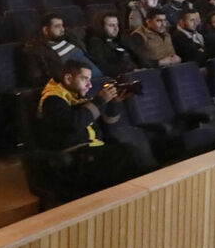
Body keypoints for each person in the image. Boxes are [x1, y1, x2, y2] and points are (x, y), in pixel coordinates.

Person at [34, 60, 141, 199]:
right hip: (75, 159)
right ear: (68, 78)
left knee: (134, 151)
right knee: (127, 154)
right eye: (84, 79)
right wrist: (100, 101)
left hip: (93, 151)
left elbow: (109, 122)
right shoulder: (52, 100)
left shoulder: (78, 97)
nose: (89, 85)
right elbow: (75, 123)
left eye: (90, 80)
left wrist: (115, 103)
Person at [23, 12, 102, 87]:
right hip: (80, 87)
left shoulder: (69, 36)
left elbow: (88, 29)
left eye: (62, 25)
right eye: (57, 26)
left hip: (101, 78)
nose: (62, 29)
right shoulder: (36, 50)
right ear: (46, 30)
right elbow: (36, 78)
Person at [84, 12, 140, 79]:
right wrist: (131, 70)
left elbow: (137, 56)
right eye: (111, 25)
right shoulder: (96, 43)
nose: (116, 28)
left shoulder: (122, 39)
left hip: (138, 72)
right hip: (122, 77)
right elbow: (102, 67)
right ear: (101, 27)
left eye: (117, 25)